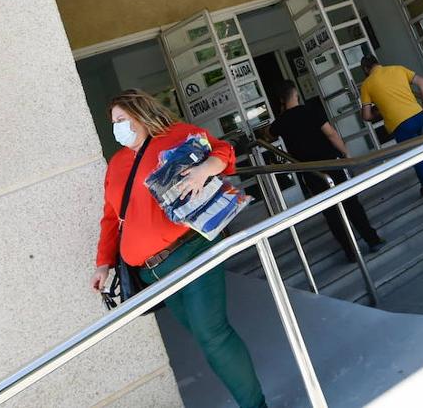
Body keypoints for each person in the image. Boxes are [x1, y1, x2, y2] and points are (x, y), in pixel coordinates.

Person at [91, 90, 266, 408]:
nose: (117, 128)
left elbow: (223, 150)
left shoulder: (174, 136)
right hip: (153, 273)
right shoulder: (116, 164)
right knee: (204, 337)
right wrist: (103, 263)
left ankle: (256, 406)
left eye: (122, 120)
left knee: (212, 334)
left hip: (190, 252)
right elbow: (110, 218)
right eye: (113, 122)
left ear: (140, 115)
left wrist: (205, 169)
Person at [264, 81, 385, 261]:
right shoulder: (311, 110)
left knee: (330, 212)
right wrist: (345, 153)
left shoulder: (281, 122)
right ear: (296, 93)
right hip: (331, 163)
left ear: (281, 100)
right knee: (351, 203)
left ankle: (350, 251)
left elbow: (268, 134)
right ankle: (372, 239)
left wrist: (282, 112)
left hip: (310, 172)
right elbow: (330, 133)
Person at [359, 55, 423, 226]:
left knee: (422, 163)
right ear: (378, 62)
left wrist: (380, 111)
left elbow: (366, 115)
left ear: (365, 69)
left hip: (401, 125)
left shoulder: (367, 85)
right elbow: (422, 82)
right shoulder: (398, 68)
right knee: (417, 157)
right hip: (417, 116)